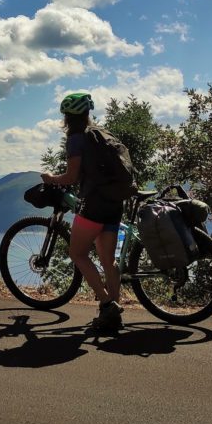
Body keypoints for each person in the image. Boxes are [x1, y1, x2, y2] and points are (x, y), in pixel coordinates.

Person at [40, 91, 127, 332]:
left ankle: (107, 303)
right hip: (114, 202)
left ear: (67, 117)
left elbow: (71, 176)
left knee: (77, 253)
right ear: (88, 113)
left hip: (94, 204)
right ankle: (113, 314)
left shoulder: (76, 140)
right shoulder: (99, 134)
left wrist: (50, 178)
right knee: (109, 261)